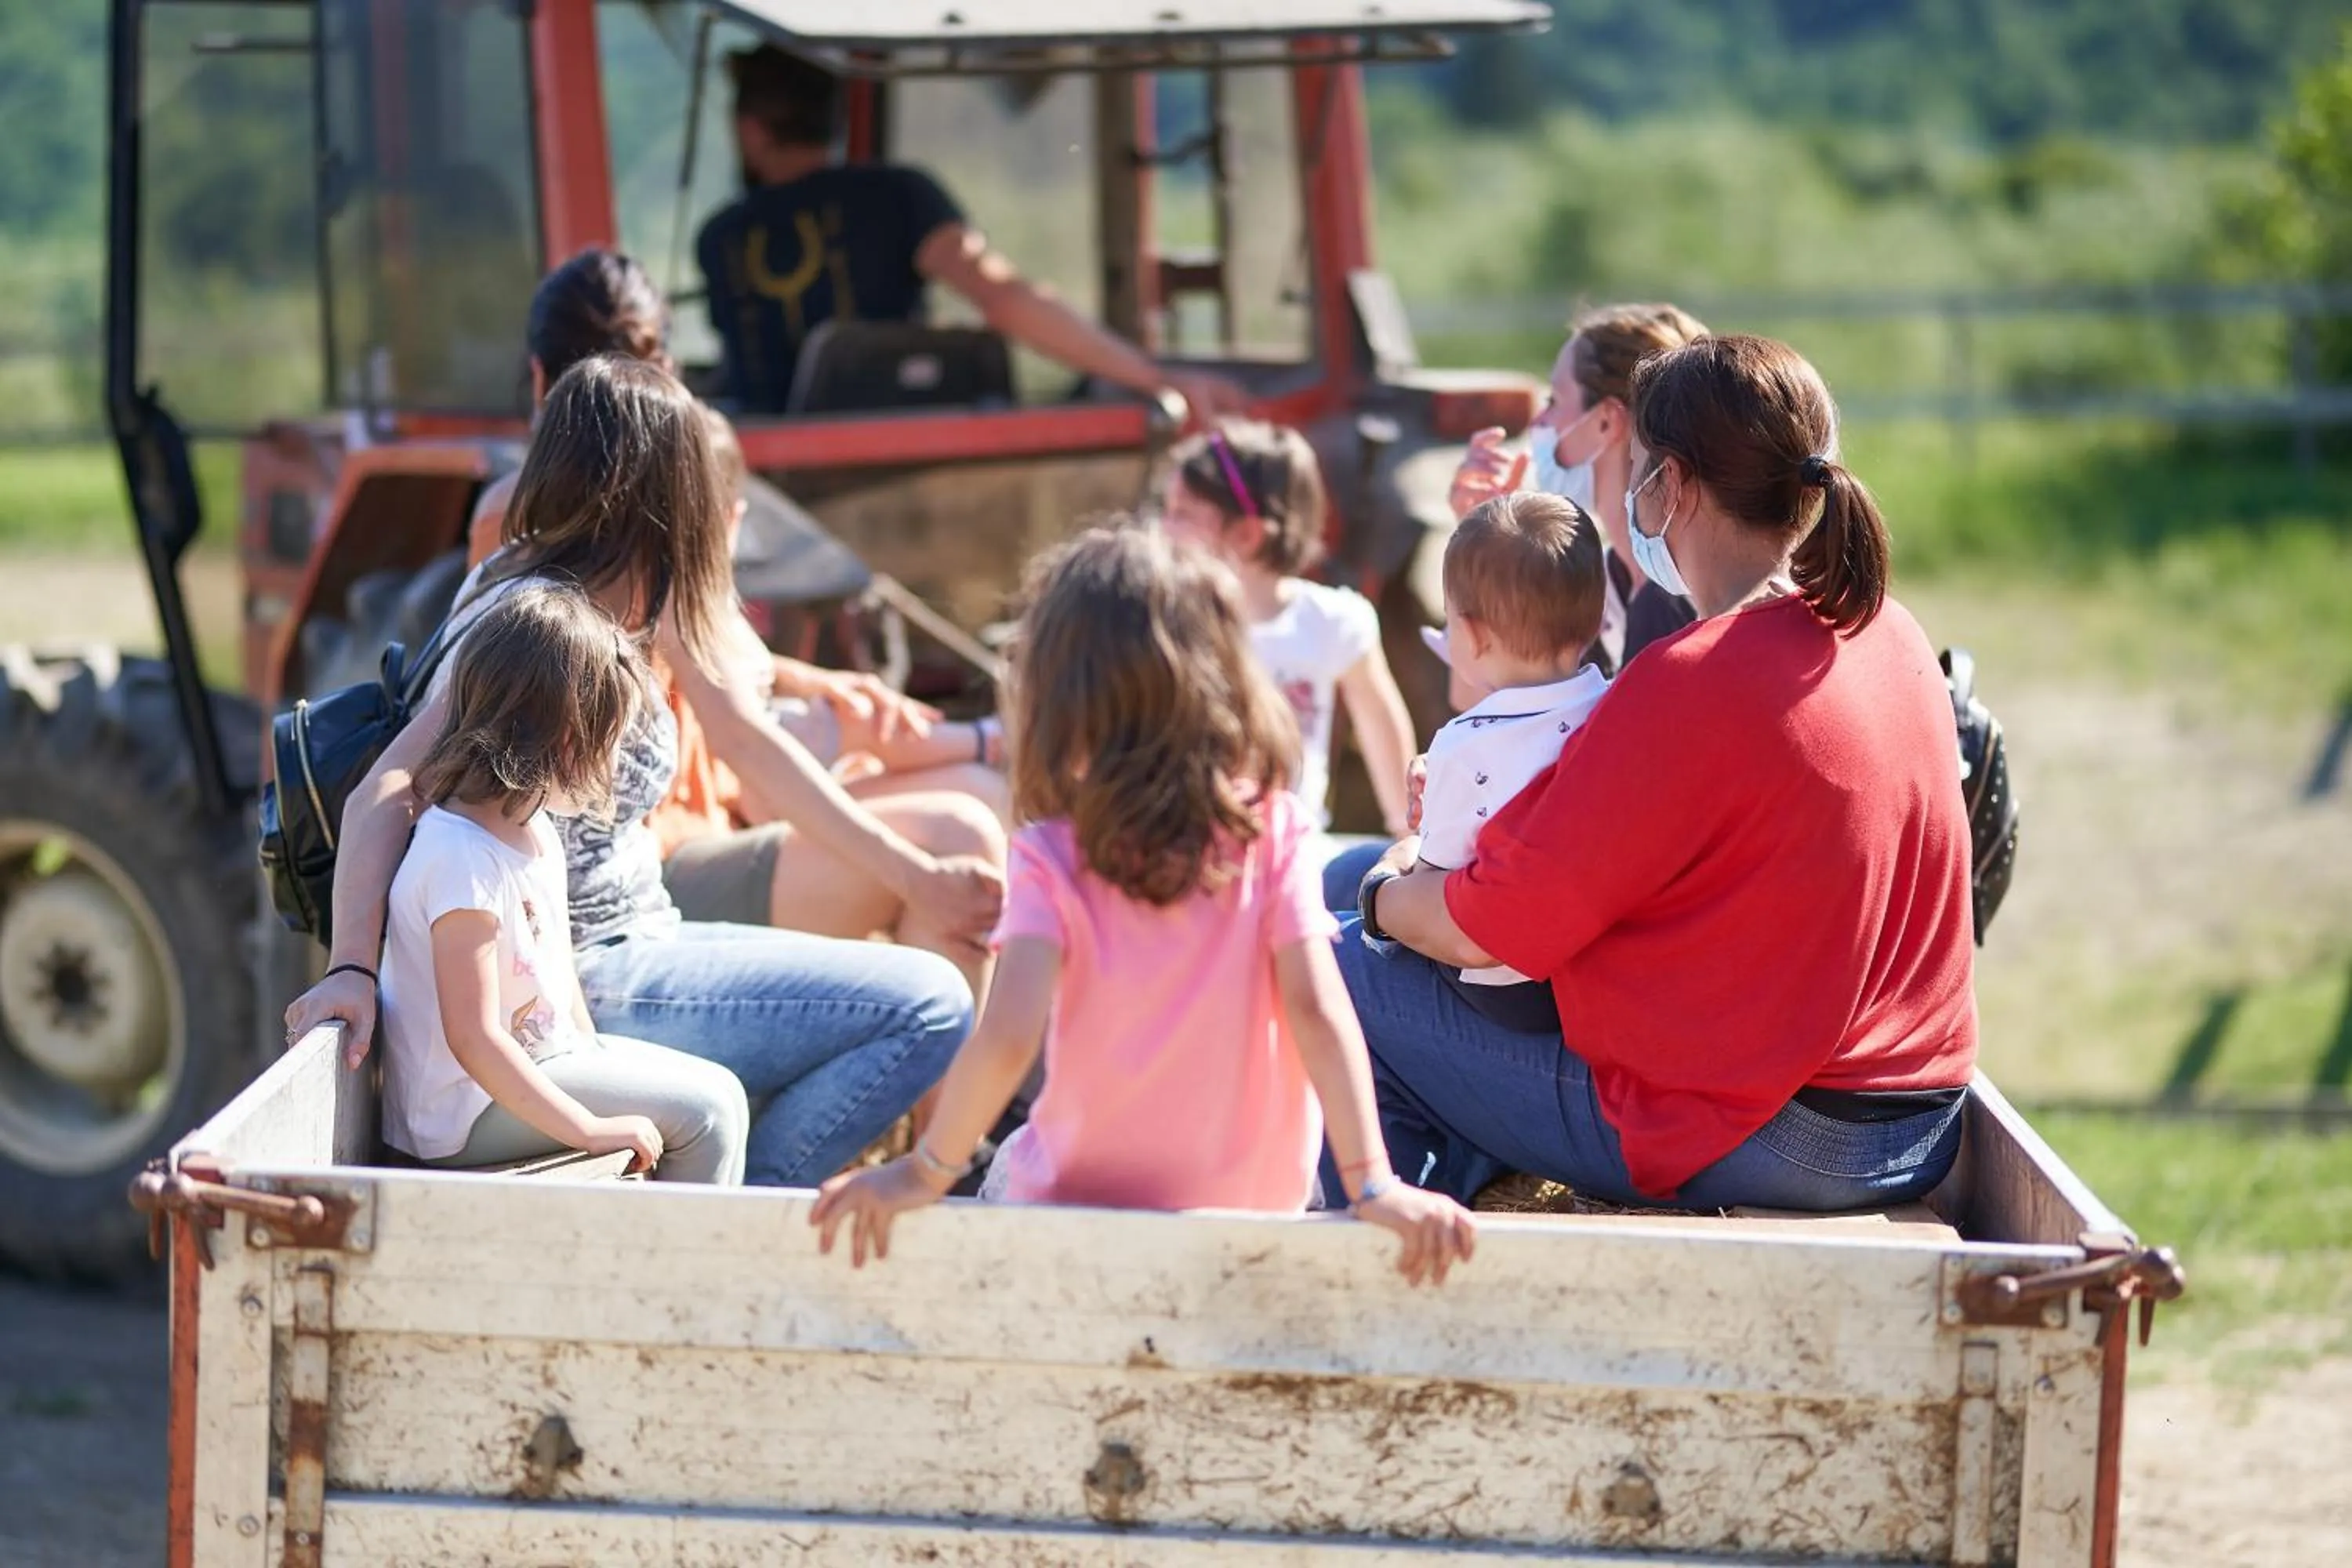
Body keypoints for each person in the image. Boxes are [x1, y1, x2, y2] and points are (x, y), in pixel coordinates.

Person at [285, 355, 985, 1188]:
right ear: (672, 493)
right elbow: (392, 788)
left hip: (644, 931)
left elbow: (751, 739)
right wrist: (352, 969)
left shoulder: (631, 598)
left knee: (921, 987)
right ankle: (742, 1215)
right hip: (582, 969)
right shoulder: (537, 621)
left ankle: (729, 1194)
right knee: (929, 1004)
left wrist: (917, 860)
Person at [1347, 334, 1977, 1214]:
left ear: (1672, 484)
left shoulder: (1693, 679)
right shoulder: (1888, 631)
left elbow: (1482, 929)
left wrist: (1382, 892)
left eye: (1638, 467)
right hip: (1911, 1122)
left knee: (1337, 958)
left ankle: (1386, 1251)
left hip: (1770, 1131)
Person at [807, 527, 1476, 1284]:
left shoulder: (1053, 855)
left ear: (1060, 702)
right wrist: (1373, 1184)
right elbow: (1319, 1012)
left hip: (1080, 1201)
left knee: (999, 1182)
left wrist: (924, 1172)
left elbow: (1007, 1036)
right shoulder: (1271, 833)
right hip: (1253, 1200)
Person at [379, 582, 748, 1185]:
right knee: (705, 1116)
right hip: (456, 1116)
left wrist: (596, 1057)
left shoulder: (533, 828)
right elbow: (472, 1038)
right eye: (610, 744)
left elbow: (559, 985)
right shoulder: (459, 860)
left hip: (535, 1064)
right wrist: (587, 1128)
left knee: (724, 1095)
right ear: (566, 739)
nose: (612, 765)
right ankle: (684, 1277)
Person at [653, 407, 1010, 997]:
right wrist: (916, 875)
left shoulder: (681, 600)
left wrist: (809, 682)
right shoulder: (674, 598)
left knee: (982, 796)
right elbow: (750, 748)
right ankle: (971, 1086)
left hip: (723, 819)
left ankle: (972, 1079)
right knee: (954, 832)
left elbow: (746, 706)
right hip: (672, 869)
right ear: (729, 518)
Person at [699, 44, 1246, 421]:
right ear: (835, 118)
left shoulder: (720, 240)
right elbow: (1003, 297)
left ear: (750, 131)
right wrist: (1154, 378)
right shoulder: (900, 195)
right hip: (909, 456)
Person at [1402, 492, 1611, 1035]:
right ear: (1595, 622)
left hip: (1504, 991)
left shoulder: (1463, 745)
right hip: (1588, 976)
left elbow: (1431, 894)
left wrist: (1410, 844)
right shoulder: (1620, 711)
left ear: (1469, 635)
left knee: (1359, 951)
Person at [1160, 420, 1417, 851]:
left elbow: (1379, 723)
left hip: (1294, 848)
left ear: (1246, 533)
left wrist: (1408, 832)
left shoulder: (1333, 621)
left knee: (1366, 869)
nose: (1163, 528)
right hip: (1192, 847)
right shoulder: (1168, 622)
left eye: (1180, 515)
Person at [1450, 303, 1709, 679]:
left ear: (1606, 421)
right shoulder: (1610, 579)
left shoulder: (1683, 592)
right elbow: (1476, 701)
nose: (1539, 422)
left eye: (1554, 401)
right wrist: (1488, 556)